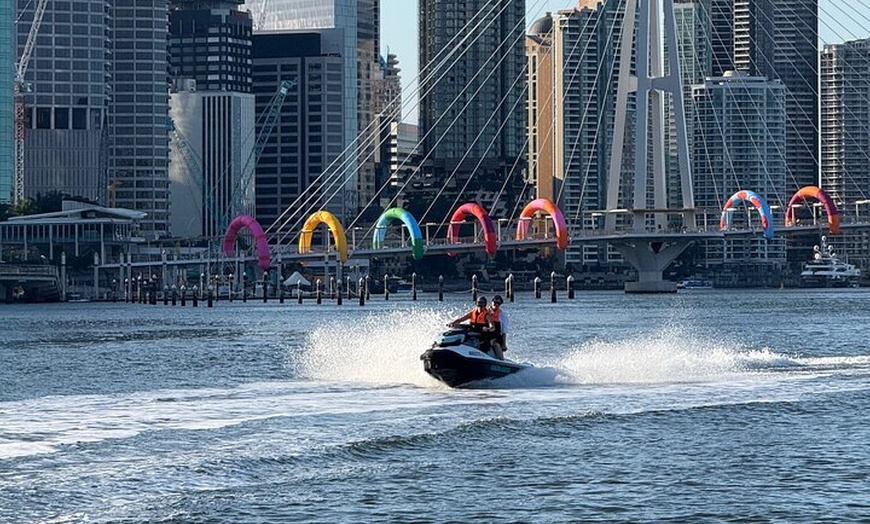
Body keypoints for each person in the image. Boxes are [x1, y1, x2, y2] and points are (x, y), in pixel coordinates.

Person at [488, 295, 508, 360]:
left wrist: (504, 345)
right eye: (495, 302)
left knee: (495, 343)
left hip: (496, 335)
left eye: (498, 303)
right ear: (492, 302)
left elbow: (504, 331)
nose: (496, 304)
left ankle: (501, 359)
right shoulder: (485, 311)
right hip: (485, 333)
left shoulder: (502, 315)